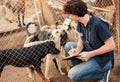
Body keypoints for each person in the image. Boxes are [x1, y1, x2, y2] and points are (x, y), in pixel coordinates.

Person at [63, 0, 115, 82]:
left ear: (76, 14)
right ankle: (85, 69)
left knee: (72, 74)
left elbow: (111, 46)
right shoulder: (80, 23)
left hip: (103, 60)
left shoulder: (98, 24)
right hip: (91, 52)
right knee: (68, 46)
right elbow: (81, 38)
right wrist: (77, 50)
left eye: (69, 14)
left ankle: (101, 74)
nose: (69, 17)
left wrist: (90, 54)